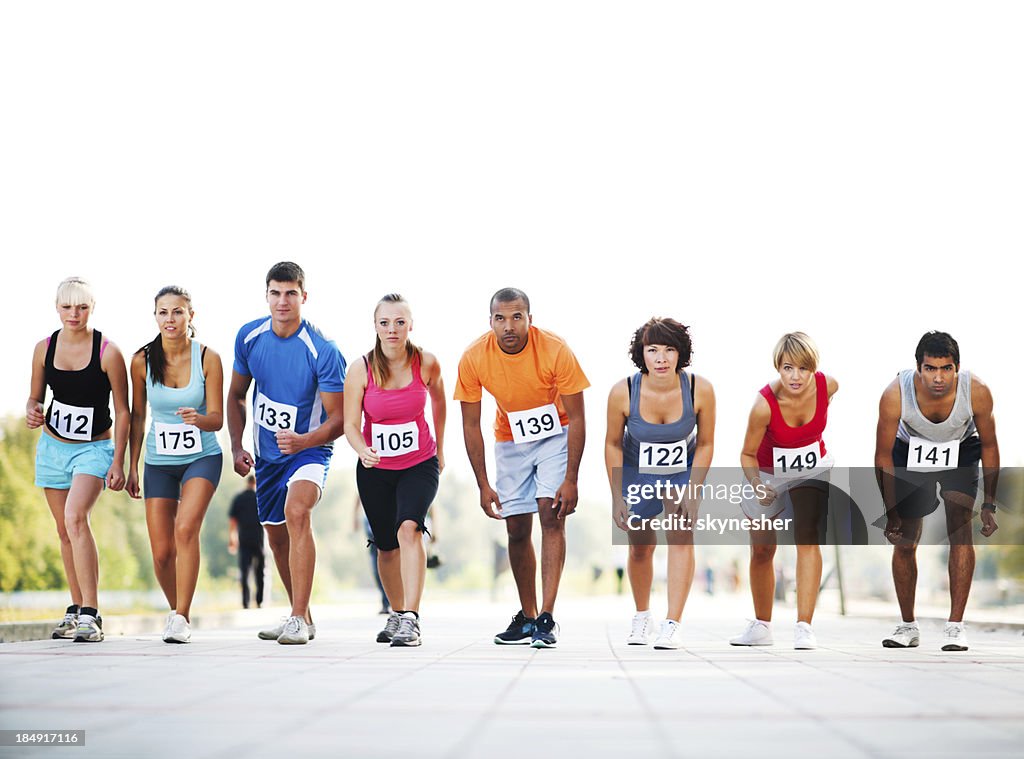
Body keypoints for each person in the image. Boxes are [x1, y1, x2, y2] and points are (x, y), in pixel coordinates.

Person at [455, 288, 589, 648]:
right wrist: (483, 484)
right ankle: (527, 616)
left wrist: (571, 479)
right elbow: (470, 424)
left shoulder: (555, 350)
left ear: (530, 318)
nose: (509, 326)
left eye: (517, 317)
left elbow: (577, 416)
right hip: (510, 439)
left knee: (550, 514)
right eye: (501, 318)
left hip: (555, 433)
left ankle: (546, 617)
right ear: (491, 322)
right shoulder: (473, 357)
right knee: (516, 527)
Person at [227, 262, 346, 645]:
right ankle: (304, 618)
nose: (283, 301)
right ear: (266, 296)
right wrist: (237, 444)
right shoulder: (249, 337)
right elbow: (236, 396)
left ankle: (295, 616)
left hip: (310, 450)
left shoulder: (322, 350)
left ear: (303, 297)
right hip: (267, 455)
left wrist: (303, 441)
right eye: (275, 293)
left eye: (291, 293)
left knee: (298, 512)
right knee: (276, 537)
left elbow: (340, 419)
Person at [875, 331, 999, 651]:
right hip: (910, 449)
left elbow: (989, 445)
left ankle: (956, 626)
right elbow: (882, 455)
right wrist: (890, 511)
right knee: (906, 538)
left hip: (960, 449)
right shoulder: (895, 393)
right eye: (930, 368)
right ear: (918, 368)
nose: (939, 377)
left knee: (960, 528)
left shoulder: (978, 392)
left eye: (946, 369)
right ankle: (907, 626)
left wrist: (990, 504)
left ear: (957, 368)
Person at [26, 277, 129, 643]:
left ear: (91, 309)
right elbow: (34, 398)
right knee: (63, 531)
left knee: (76, 517)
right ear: (57, 308)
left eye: (82, 307)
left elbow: (123, 410)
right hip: (53, 448)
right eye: (68, 306)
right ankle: (75, 608)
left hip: (93, 448)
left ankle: (92, 614)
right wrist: (32, 412)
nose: (74, 314)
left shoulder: (108, 352)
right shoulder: (43, 348)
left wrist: (119, 461)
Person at [606, 318, 716, 649]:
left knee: (681, 535)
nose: (661, 358)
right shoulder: (622, 391)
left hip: (681, 469)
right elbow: (611, 443)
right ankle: (642, 616)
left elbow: (707, 443)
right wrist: (616, 496)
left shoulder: (701, 389)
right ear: (642, 354)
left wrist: (694, 492)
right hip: (636, 470)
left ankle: (672, 623)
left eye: (669, 349)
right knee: (640, 545)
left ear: (681, 353)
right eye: (653, 350)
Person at [344, 294, 445, 647]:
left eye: (399, 322)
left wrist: (441, 450)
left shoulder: (427, 363)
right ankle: (397, 613)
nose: (392, 329)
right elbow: (351, 424)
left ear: (410, 325)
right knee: (386, 546)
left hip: (419, 463)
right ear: (375, 326)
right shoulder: (360, 369)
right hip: (375, 468)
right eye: (385, 322)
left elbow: (440, 403)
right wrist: (362, 450)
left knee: (409, 530)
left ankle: (412, 619)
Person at [127, 286, 223, 644]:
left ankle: (183, 616)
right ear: (155, 317)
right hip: (158, 462)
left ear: (190, 317)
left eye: (178, 312)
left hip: (202, 456)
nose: (170, 319)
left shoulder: (208, 358)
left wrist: (199, 418)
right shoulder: (140, 360)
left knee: (185, 529)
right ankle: (175, 611)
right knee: (163, 551)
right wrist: (132, 465)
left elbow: (217, 419)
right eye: (163, 312)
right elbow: (138, 417)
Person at [730, 332, 838, 650]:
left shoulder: (828, 386)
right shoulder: (763, 405)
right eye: (788, 368)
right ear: (778, 367)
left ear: (813, 369)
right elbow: (746, 454)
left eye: (803, 369)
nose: (795, 376)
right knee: (762, 549)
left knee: (808, 536)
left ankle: (804, 626)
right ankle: (762, 626)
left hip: (811, 466)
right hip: (766, 472)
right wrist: (757, 485)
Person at [229, 476, 265, 610]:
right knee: (260, 571)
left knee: (244, 571)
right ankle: (260, 601)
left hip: (244, 538)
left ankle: (246, 602)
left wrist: (232, 538)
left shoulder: (239, 498)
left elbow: (232, 520)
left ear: (247, 482)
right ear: (255, 483)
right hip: (259, 539)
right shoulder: (260, 497)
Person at [352, 495, 390, 614]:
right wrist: (355, 518)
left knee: (392, 561)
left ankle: (395, 602)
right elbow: (359, 495)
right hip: (371, 528)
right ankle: (386, 601)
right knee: (376, 568)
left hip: (390, 523)